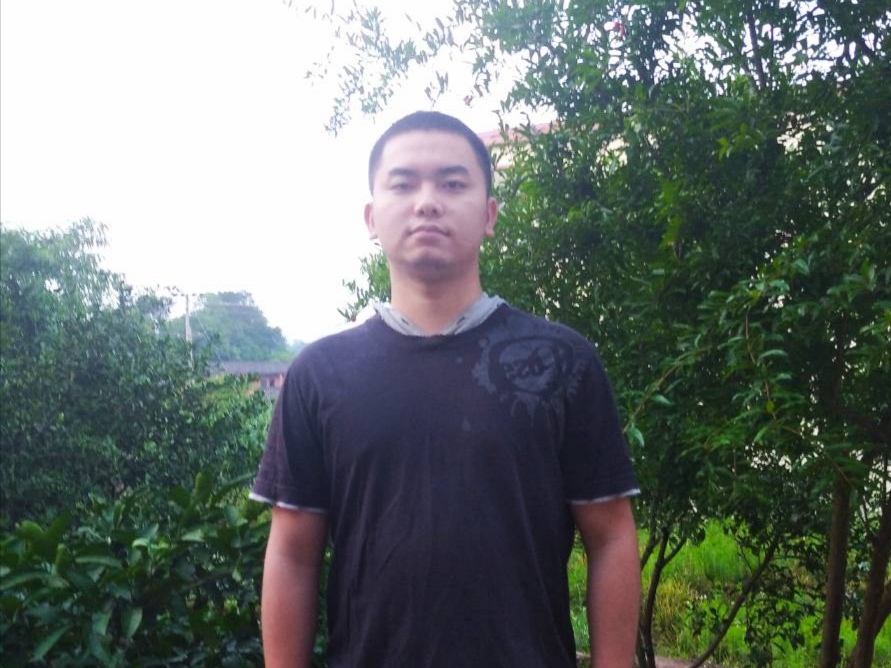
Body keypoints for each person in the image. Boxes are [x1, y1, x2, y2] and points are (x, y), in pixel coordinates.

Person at [250, 111, 641, 668]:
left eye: (453, 184)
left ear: (489, 215)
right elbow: (292, 553)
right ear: (371, 217)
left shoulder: (560, 362)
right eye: (403, 184)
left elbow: (611, 538)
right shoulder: (320, 374)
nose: (427, 202)